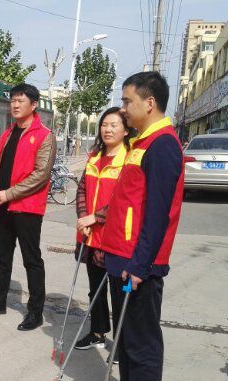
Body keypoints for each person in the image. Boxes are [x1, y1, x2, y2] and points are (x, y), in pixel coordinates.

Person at [89, 72, 184, 381]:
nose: (123, 109)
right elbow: (128, 202)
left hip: (138, 262)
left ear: (149, 103)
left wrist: (141, 264)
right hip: (121, 254)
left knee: (142, 340)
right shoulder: (141, 142)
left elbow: (158, 214)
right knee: (125, 334)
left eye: (128, 102)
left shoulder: (162, 145)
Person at [0, 83, 57, 331]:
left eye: (21, 100)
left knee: (32, 260)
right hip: (0, 207)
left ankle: (35, 312)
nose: (16, 105)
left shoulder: (44, 136)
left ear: (33, 105)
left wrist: (7, 194)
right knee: (2, 258)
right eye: (13, 100)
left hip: (27, 208)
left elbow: (40, 175)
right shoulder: (8, 134)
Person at [73, 107, 132, 359]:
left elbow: (125, 198)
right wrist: (84, 218)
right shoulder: (94, 156)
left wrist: (95, 217)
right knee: (94, 287)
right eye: (104, 124)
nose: (107, 129)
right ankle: (97, 331)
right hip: (90, 236)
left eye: (114, 125)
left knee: (119, 293)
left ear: (126, 130)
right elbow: (82, 190)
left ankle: (121, 342)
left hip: (115, 237)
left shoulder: (130, 159)